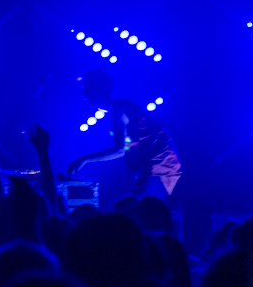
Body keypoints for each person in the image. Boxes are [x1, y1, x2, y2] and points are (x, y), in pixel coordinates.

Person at [66, 69, 182, 200]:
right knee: (138, 209)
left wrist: (84, 159)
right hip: (159, 163)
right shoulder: (116, 108)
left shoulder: (117, 109)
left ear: (97, 88)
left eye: (86, 88)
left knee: (137, 210)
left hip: (162, 163)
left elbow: (120, 149)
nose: (83, 93)